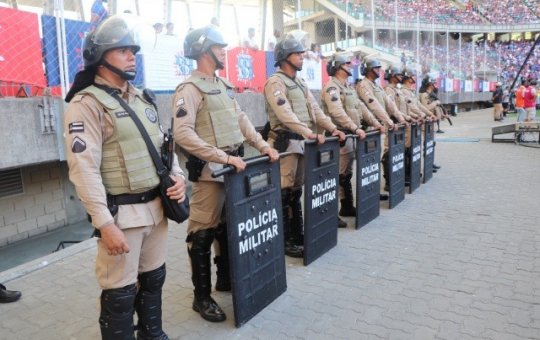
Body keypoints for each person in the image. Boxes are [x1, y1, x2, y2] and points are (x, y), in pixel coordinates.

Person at [64, 15, 185, 339]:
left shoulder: (143, 98)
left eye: (133, 49)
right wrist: (104, 224)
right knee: (119, 294)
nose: (133, 55)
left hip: (157, 210)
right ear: (100, 56)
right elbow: (83, 168)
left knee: (154, 279)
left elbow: (163, 147)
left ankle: (152, 334)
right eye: (123, 50)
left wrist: (178, 176)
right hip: (123, 218)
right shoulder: (86, 104)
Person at [172, 25, 279, 323]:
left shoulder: (221, 85)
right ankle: (201, 297)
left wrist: (262, 146)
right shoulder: (189, 90)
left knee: (227, 226)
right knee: (201, 234)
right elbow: (182, 134)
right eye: (219, 46)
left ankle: (226, 279)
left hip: (233, 169)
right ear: (203, 50)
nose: (224, 50)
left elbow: (241, 120)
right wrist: (224, 157)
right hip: (210, 174)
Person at [264, 31, 345, 257]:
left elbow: (316, 110)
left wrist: (332, 128)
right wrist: (309, 133)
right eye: (297, 54)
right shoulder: (275, 82)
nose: (302, 57)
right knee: (284, 192)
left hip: (300, 144)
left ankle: (297, 234)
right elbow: (285, 114)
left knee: (295, 192)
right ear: (284, 56)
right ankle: (285, 241)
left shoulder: (299, 82)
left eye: (302, 53)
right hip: (286, 144)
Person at [322, 52, 384, 226]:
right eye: (347, 64)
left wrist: (375, 123)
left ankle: (347, 206)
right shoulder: (332, 87)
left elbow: (361, 108)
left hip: (349, 135)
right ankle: (328, 214)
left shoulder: (348, 87)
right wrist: (354, 127)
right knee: (335, 176)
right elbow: (336, 112)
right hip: (339, 136)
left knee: (345, 174)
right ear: (338, 66)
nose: (350, 66)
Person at [356, 58, 407, 197]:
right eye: (376, 68)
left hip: (380, 127)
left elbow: (389, 104)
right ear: (369, 69)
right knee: (369, 163)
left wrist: (401, 119)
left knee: (376, 162)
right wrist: (389, 121)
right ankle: (368, 194)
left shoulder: (376, 86)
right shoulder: (364, 85)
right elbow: (374, 105)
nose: (379, 70)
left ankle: (373, 192)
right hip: (371, 127)